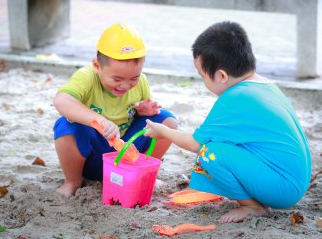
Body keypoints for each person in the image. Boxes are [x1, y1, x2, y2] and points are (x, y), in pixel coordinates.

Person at [144, 21, 312, 223]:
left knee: (209, 153)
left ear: (221, 75)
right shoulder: (263, 85)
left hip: (283, 187)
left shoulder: (236, 98)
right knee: (219, 145)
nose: (203, 81)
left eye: (202, 75)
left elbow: (196, 144)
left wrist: (162, 130)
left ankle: (253, 207)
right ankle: (255, 199)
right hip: (294, 179)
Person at [53, 23, 178, 197]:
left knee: (166, 120)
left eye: (134, 78)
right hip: (92, 157)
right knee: (65, 125)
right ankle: (73, 181)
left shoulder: (141, 82)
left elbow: (140, 115)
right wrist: (99, 121)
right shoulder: (87, 76)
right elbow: (62, 100)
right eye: (117, 78)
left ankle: (146, 171)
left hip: (127, 154)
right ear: (97, 66)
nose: (125, 85)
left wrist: (142, 111)